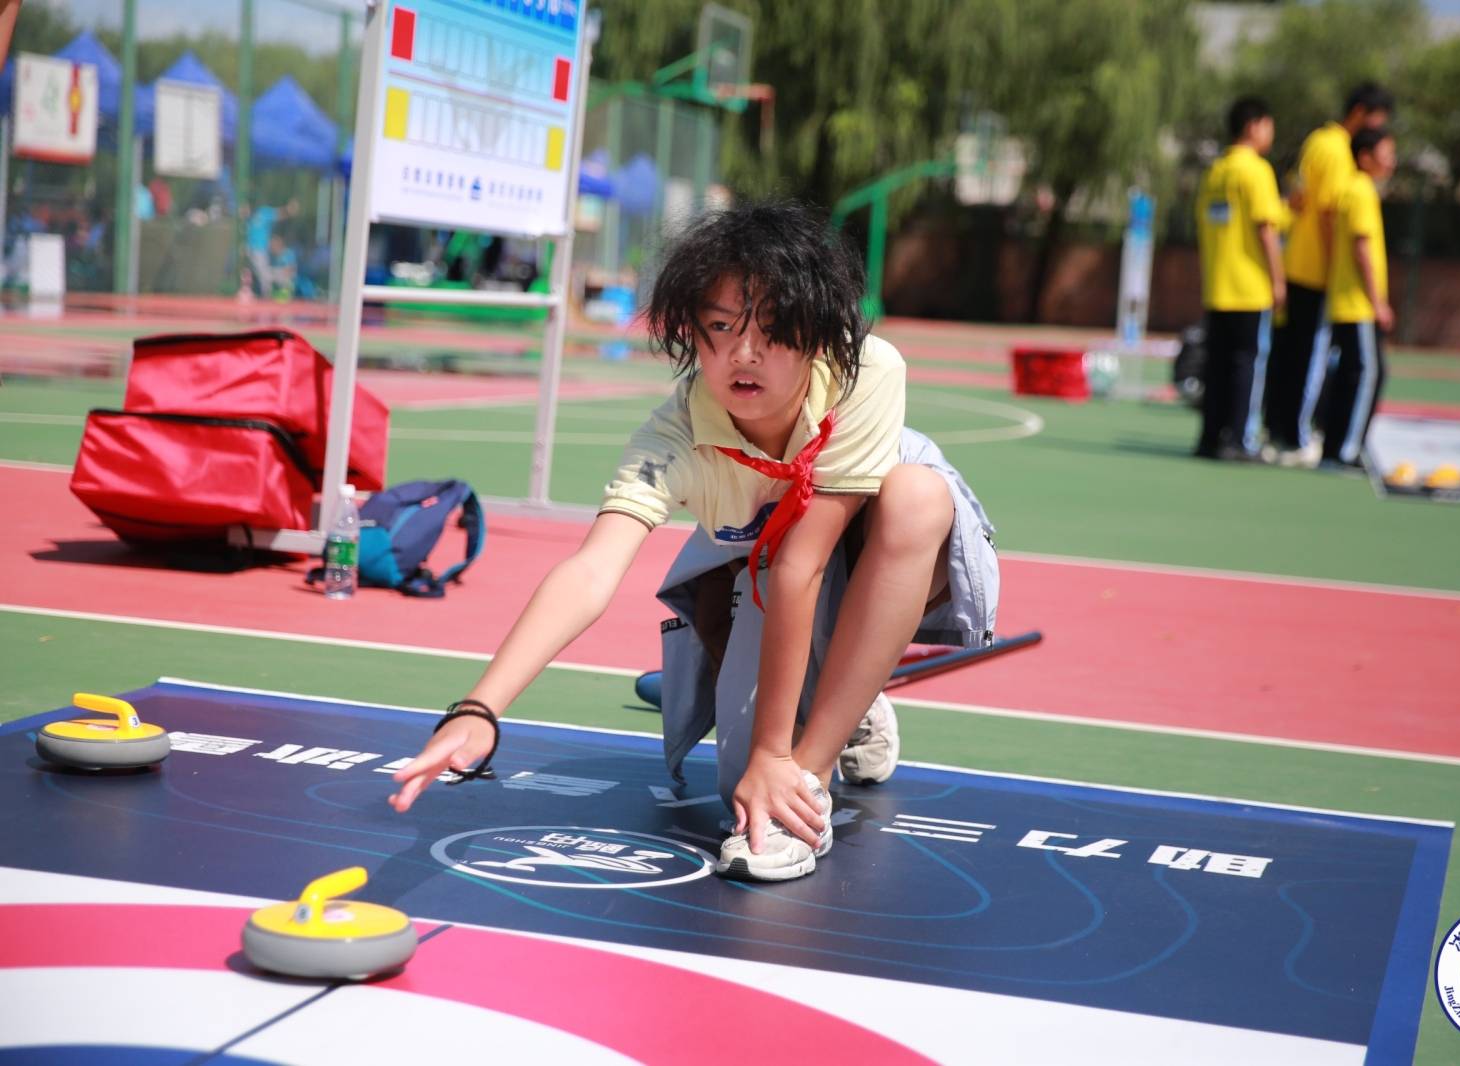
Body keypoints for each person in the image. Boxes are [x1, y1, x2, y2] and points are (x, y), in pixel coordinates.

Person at [386, 201, 1000, 883]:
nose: (744, 354)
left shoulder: (866, 371)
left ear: (819, 334)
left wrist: (784, 761)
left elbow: (806, 560)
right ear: (690, 332)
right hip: (760, 562)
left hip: (878, 539)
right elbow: (592, 571)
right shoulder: (673, 436)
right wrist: (481, 708)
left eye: (773, 329)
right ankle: (853, 700)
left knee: (917, 500)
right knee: (736, 755)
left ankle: (818, 770)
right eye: (719, 328)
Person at [1262, 82, 1394, 467]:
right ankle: (1298, 436)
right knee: (1310, 359)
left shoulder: (1317, 140)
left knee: (1292, 355)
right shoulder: (1339, 153)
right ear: (1359, 112)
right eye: (1376, 122)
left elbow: (1299, 196)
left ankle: (1283, 430)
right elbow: (1327, 215)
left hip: (1298, 263)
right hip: (1319, 270)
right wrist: (1340, 266)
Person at [1193, 96, 1285, 461]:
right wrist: (1278, 280)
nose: (1270, 133)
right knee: (1246, 364)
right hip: (1249, 287)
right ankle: (1237, 440)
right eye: (1269, 125)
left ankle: (1209, 438)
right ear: (1254, 125)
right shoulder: (1256, 171)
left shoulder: (1215, 172)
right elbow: (1266, 229)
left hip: (1218, 284)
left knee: (1216, 365)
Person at [1320, 127, 1396, 468]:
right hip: (1357, 302)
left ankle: (1333, 445)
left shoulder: (1350, 189)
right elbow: (1361, 248)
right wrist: (1377, 300)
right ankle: (1346, 449)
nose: (1391, 160)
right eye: (1386, 153)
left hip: (1348, 300)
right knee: (1366, 372)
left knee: (1351, 373)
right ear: (1365, 156)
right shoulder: (1361, 191)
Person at [243, 198, 298, 297]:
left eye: (245, 206)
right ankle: (260, 293)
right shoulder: (247, 220)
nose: (244, 209)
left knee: (264, 274)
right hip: (249, 250)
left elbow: (277, 214)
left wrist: (288, 210)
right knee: (257, 274)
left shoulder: (262, 213)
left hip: (259, 250)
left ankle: (270, 291)